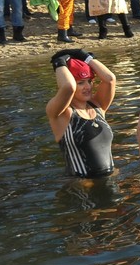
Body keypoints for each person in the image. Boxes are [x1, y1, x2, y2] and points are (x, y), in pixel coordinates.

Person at [46, 49, 117, 178]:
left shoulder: (98, 106)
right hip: (81, 187)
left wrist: (86, 57)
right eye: (81, 83)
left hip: (109, 181)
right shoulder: (62, 113)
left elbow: (110, 79)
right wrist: (59, 62)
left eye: (89, 81)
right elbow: (68, 87)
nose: (88, 87)